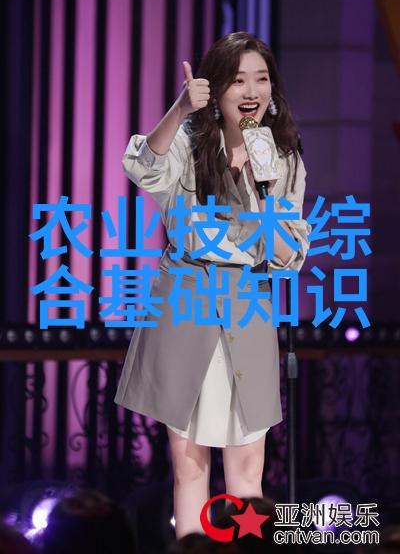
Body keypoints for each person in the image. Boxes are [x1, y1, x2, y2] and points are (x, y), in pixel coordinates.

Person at [115, 32, 310, 539]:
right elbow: (141, 167)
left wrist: (263, 197)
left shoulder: (281, 158)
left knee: (247, 473)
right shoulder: (188, 144)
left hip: (247, 305)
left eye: (261, 79)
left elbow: (288, 253)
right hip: (188, 300)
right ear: (216, 87)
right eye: (238, 80)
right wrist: (180, 109)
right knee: (190, 468)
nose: (252, 91)